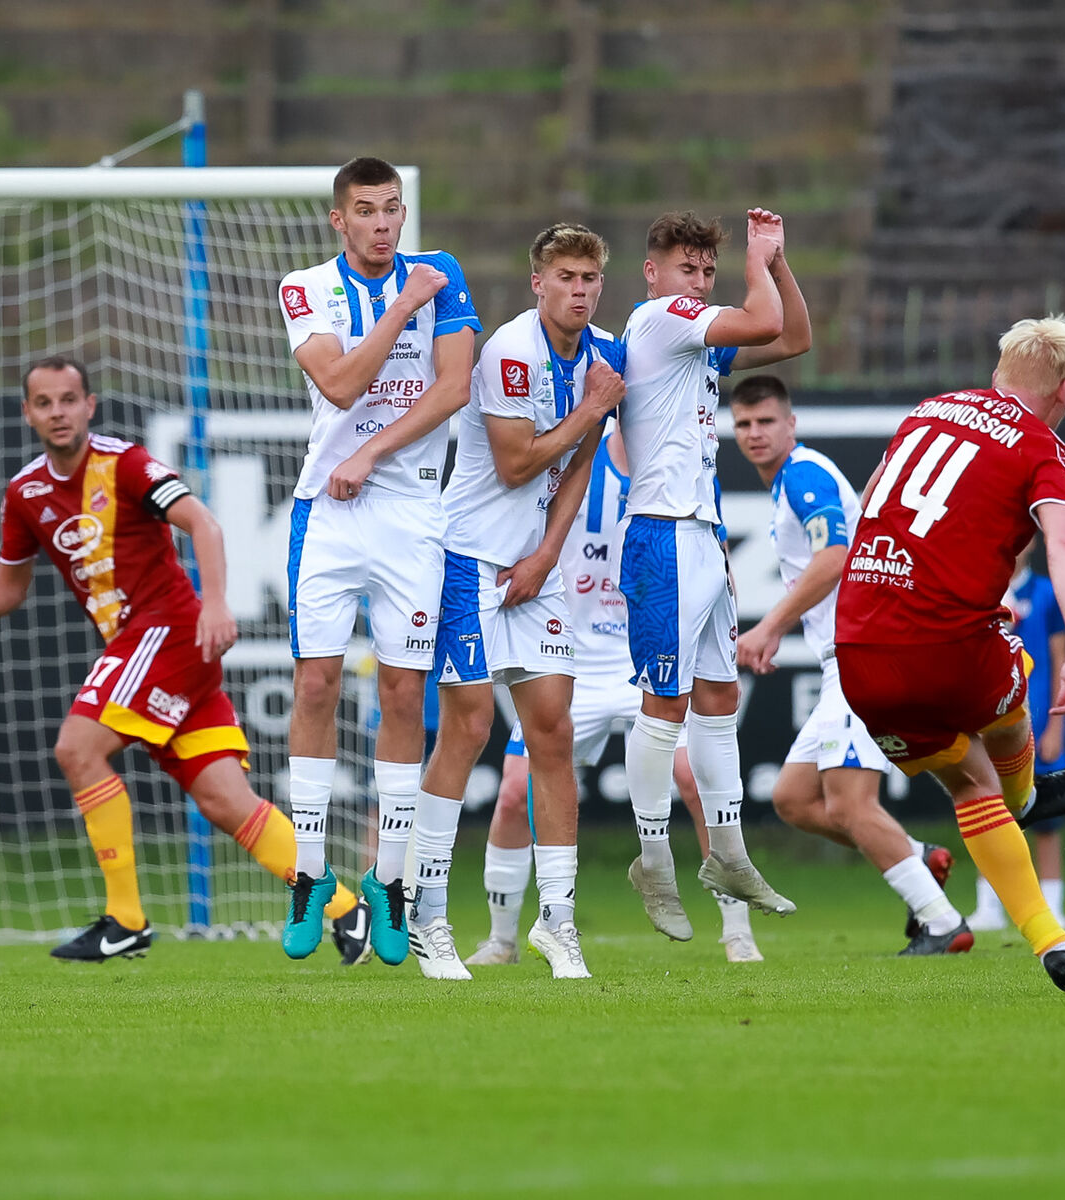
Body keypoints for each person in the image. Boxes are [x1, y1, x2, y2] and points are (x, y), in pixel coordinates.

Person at [0, 357, 365, 962]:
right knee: (225, 800)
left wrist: (214, 604)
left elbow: (204, 524)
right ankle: (348, 908)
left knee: (77, 749)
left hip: (166, 631)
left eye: (68, 399)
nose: (58, 412)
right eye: (44, 402)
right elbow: (11, 583)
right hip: (155, 649)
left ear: (90, 405)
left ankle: (126, 919)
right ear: (28, 413)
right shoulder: (26, 492)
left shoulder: (127, 464)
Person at [836, 315, 1065, 1005]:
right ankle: (1031, 795)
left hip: (858, 650)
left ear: (997, 373)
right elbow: (1063, 543)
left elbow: (869, 509)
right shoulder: (1047, 450)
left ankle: (1055, 947)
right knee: (1015, 686)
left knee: (966, 789)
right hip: (947, 647)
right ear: (1063, 389)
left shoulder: (929, 411)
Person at [276, 156, 481, 966]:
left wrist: (376, 455)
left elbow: (455, 385)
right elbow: (337, 384)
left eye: (392, 208)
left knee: (402, 690)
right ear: (339, 220)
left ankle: (389, 881)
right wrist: (400, 309)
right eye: (366, 210)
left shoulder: (442, 273)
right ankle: (310, 874)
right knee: (315, 683)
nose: (384, 224)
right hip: (323, 510)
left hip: (409, 512)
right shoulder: (305, 287)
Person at [411, 223, 623, 980]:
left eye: (589, 278)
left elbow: (577, 468)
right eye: (565, 276)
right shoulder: (509, 351)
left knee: (553, 735)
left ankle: (557, 922)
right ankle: (428, 915)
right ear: (538, 282)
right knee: (465, 730)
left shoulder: (600, 355)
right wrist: (593, 408)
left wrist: (545, 556)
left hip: (535, 571)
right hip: (469, 562)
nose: (578, 290)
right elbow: (513, 464)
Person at [468, 427, 765, 967]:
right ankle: (502, 939)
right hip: (572, 658)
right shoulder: (584, 451)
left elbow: (714, 557)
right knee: (514, 793)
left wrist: (724, 636)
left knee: (695, 781)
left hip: (646, 657)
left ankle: (737, 930)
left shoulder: (684, 466)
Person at [616, 208, 812, 941]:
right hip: (660, 533)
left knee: (718, 696)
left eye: (705, 271)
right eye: (686, 269)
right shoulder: (664, 319)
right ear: (653, 272)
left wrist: (777, 263)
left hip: (699, 532)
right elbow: (763, 318)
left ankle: (726, 852)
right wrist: (757, 263)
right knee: (662, 706)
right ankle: (653, 858)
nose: (696, 282)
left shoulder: (695, 339)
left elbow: (792, 337)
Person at [729, 376, 967, 955]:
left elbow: (834, 555)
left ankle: (941, 922)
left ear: (791, 424)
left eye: (766, 421)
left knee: (849, 804)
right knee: (792, 798)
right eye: (744, 424)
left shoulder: (804, 475)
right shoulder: (791, 480)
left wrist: (770, 625)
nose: (755, 433)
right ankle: (916, 858)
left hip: (867, 657)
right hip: (849, 659)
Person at [973, 537, 1065, 931]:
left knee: (1045, 817)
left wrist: (1056, 724)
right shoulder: (979, 586)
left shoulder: (1047, 593)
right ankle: (988, 906)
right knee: (988, 811)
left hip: (1037, 719)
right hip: (990, 719)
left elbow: (1060, 659)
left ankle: (1052, 904)